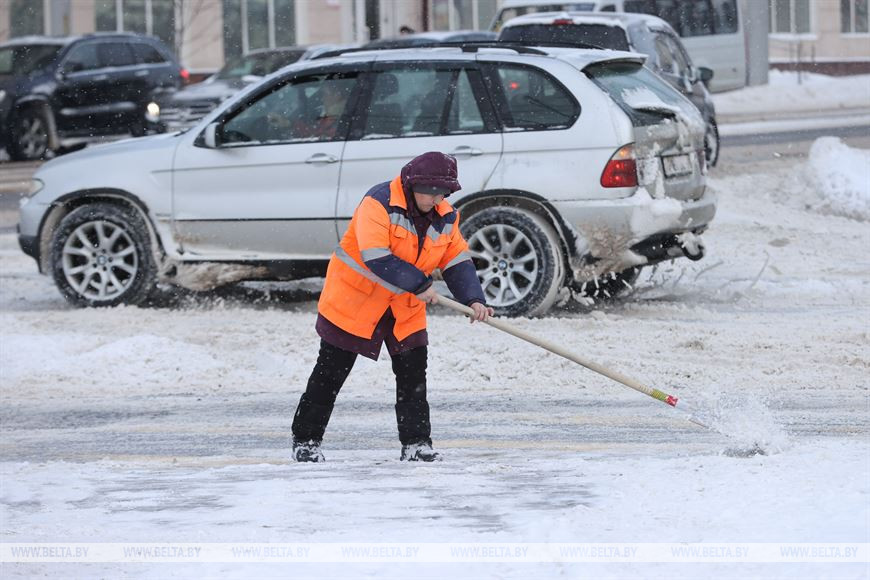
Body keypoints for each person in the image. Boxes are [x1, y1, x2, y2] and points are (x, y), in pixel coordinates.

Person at [291, 151, 494, 463]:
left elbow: (456, 259)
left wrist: (473, 299)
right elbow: (377, 256)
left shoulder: (445, 216)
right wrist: (420, 284)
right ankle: (306, 440)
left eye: (443, 193)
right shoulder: (378, 203)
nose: (436, 199)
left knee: (413, 377)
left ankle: (417, 444)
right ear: (412, 185)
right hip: (356, 302)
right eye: (430, 192)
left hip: (404, 308)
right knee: (330, 374)